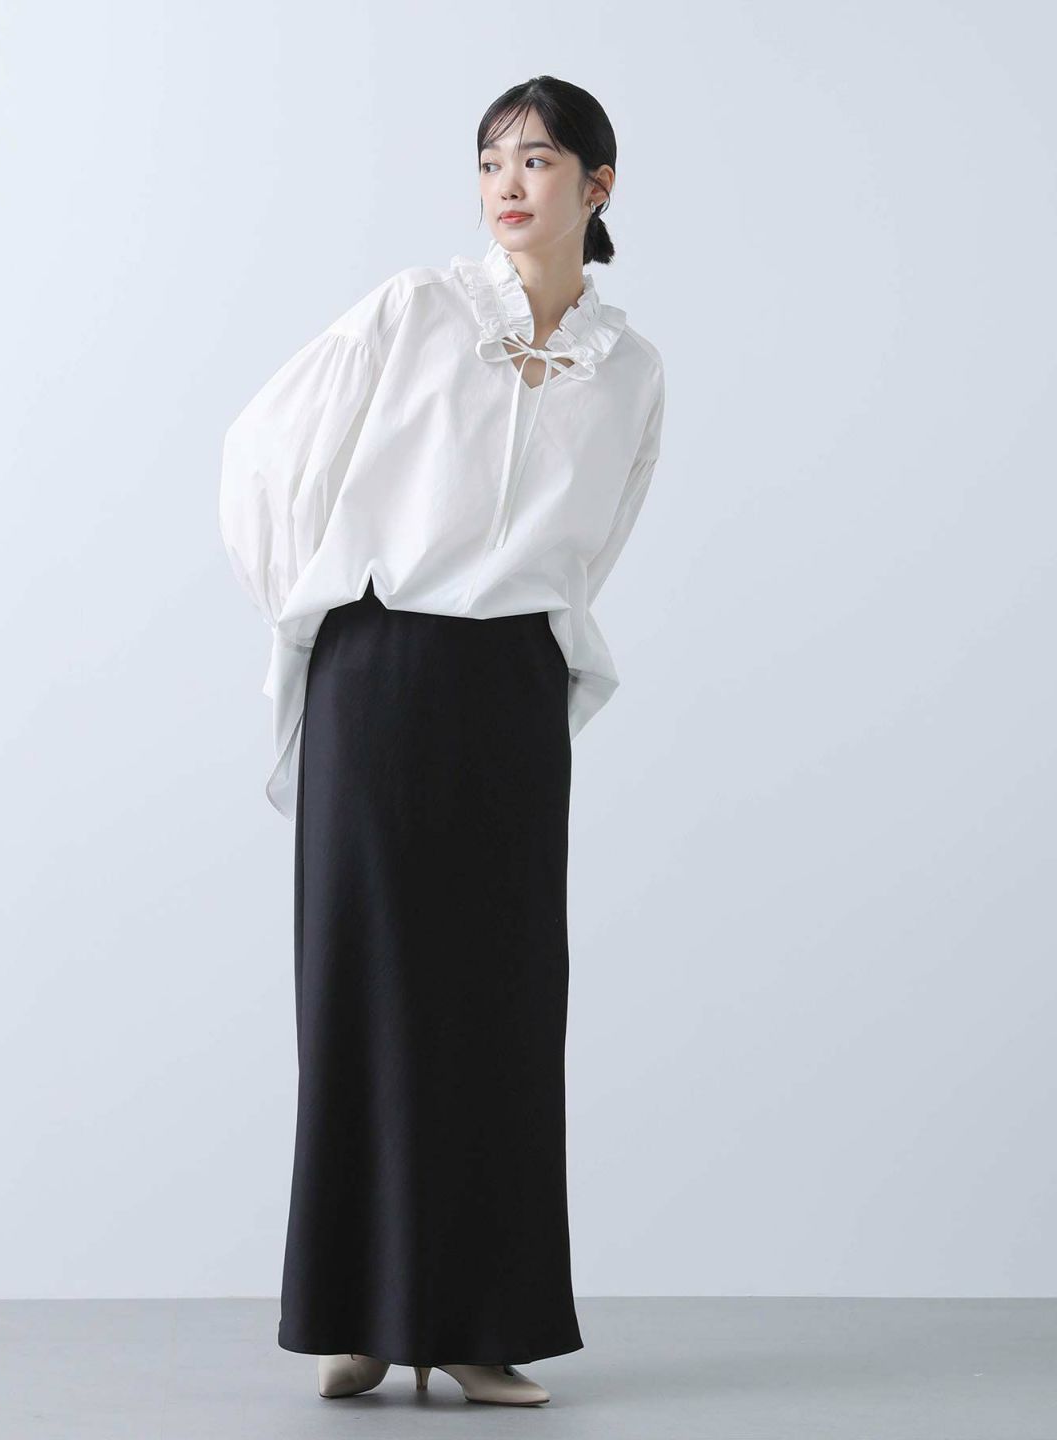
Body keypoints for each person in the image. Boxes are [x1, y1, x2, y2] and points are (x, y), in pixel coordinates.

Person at [218, 75, 666, 1408]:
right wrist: (326, 606)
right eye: (489, 162)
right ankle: (356, 1316)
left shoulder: (630, 369)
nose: (508, 185)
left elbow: (603, 530)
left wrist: (530, 625)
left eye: (537, 159)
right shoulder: (418, 311)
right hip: (380, 670)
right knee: (359, 989)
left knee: (503, 1003)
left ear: (598, 184)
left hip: (514, 686)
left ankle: (479, 1327)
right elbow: (262, 455)